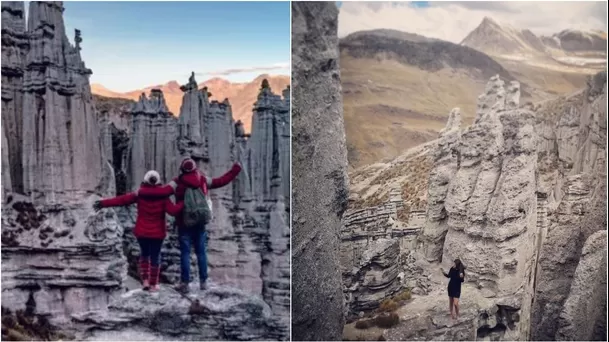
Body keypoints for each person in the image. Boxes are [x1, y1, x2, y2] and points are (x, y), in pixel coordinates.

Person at [93, 170, 182, 292]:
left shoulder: (139, 194)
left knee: (144, 255)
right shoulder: (164, 197)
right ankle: (153, 284)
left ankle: (145, 281)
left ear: (145, 180)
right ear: (158, 181)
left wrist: (104, 203)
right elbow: (173, 211)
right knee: (155, 258)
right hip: (158, 233)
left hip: (142, 232)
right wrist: (183, 203)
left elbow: (121, 200)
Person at [168, 157, 242, 293]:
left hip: (183, 223)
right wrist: (235, 170)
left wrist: (149, 189)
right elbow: (221, 181)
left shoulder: (177, 182)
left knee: (185, 253)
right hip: (200, 223)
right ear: (195, 169)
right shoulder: (202, 180)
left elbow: (164, 192)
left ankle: (185, 283)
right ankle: (203, 282)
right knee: (201, 253)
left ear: (182, 169)